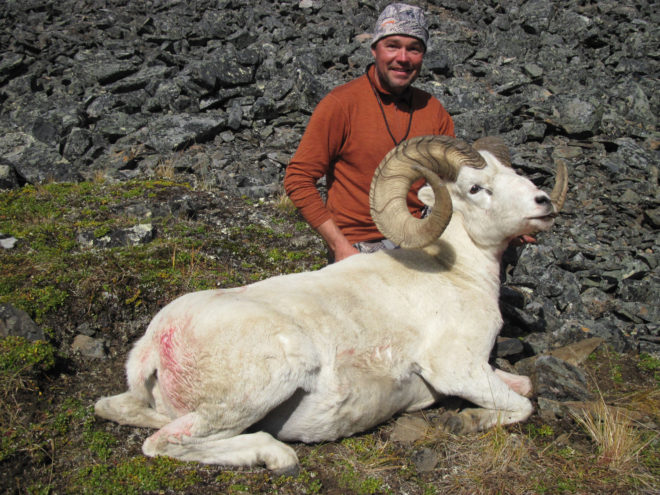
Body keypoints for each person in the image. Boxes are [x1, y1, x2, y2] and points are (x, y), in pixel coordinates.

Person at [284, 3, 455, 262]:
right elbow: (298, 178)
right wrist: (340, 247)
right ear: (374, 49)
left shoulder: (433, 110)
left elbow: (453, 182)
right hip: (360, 246)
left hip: (420, 237)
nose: (403, 58)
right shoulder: (341, 104)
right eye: (393, 45)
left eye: (414, 49)